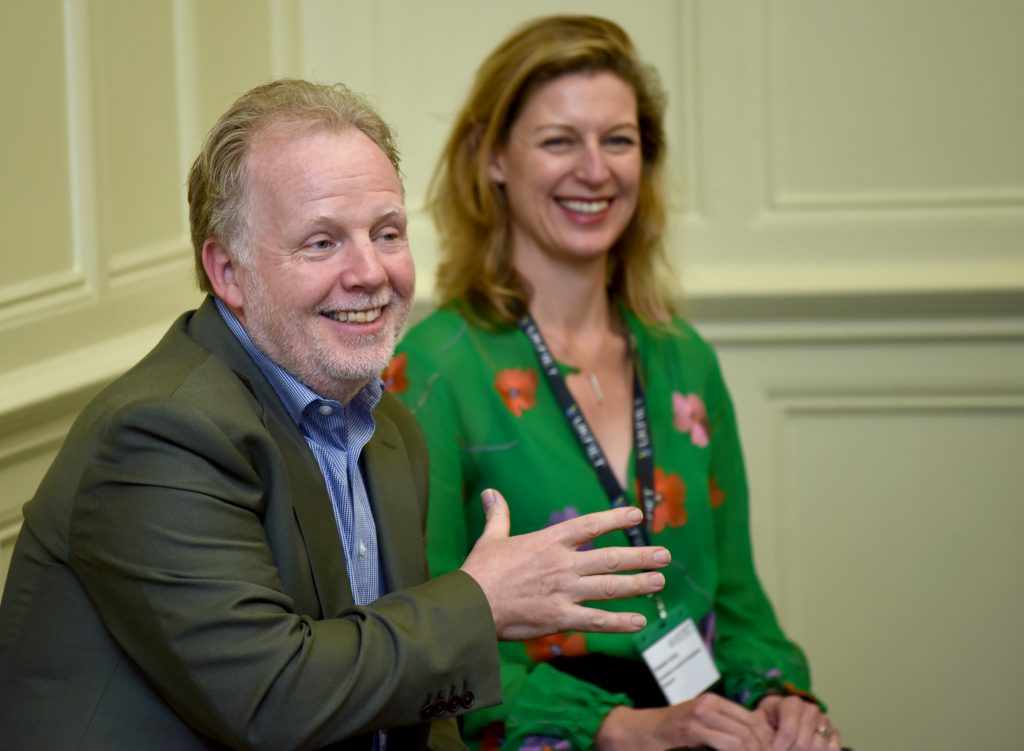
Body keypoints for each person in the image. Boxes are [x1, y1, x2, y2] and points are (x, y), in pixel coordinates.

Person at [0, 79, 673, 751]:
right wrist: (480, 600)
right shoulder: (160, 434)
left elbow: (405, 691)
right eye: (321, 243)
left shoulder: (385, 425)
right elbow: (273, 699)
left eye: (387, 232)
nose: (370, 272)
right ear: (227, 272)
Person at [389, 15, 844, 751]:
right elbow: (429, 635)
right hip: (541, 725)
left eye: (619, 140)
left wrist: (785, 700)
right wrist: (616, 727)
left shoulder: (683, 358)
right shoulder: (434, 368)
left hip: (701, 708)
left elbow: (741, 605)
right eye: (559, 140)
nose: (595, 169)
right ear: (493, 158)